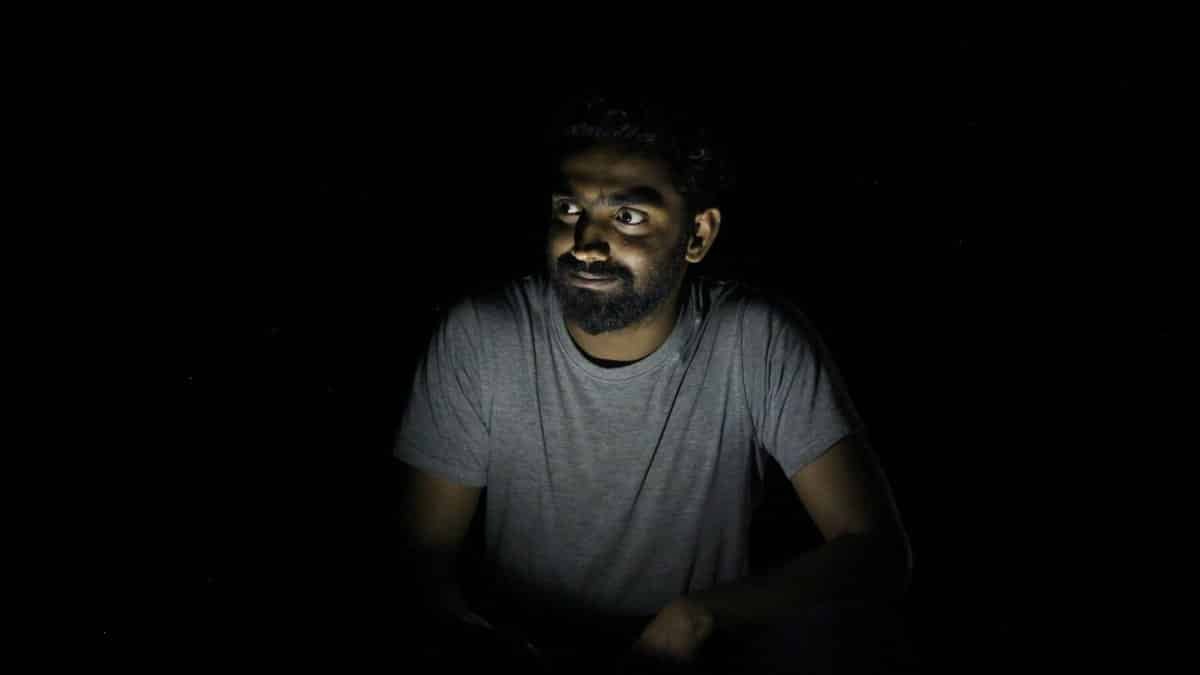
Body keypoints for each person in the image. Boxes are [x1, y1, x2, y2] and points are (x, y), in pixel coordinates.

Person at [392, 95, 915, 673]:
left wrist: (698, 617)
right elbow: (422, 556)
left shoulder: (755, 340)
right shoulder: (482, 335)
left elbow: (875, 552)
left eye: (629, 217)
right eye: (570, 209)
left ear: (698, 235)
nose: (585, 243)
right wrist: (471, 638)